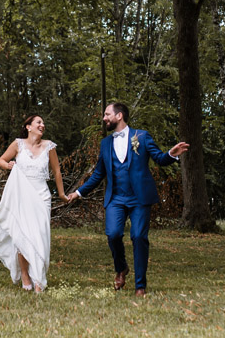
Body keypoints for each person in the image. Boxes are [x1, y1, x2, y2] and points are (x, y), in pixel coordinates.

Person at [67, 102, 188, 297]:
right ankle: (121, 268)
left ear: (119, 115)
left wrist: (171, 155)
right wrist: (78, 192)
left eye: (107, 114)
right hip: (116, 198)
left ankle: (140, 286)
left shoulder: (141, 136)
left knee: (139, 237)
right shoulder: (105, 143)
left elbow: (159, 158)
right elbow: (98, 174)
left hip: (139, 197)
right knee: (113, 234)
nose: (104, 118)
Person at [0, 115, 67, 293]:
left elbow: (56, 171)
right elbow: (0, 160)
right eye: (38, 122)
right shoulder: (18, 144)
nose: (42, 125)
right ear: (28, 127)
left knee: (40, 235)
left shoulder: (49, 146)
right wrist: (8, 166)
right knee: (22, 234)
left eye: (43, 123)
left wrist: (61, 194)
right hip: (21, 195)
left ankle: (39, 279)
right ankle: (25, 276)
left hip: (41, 196)